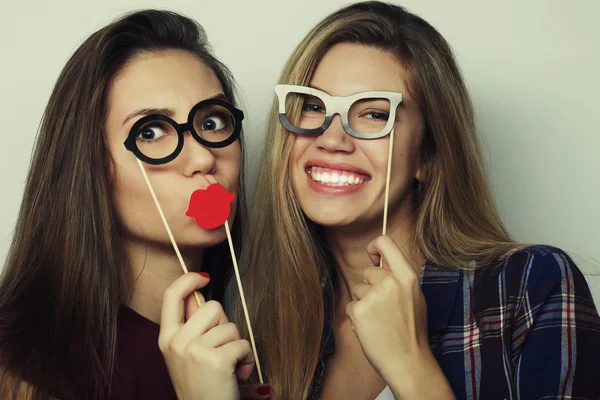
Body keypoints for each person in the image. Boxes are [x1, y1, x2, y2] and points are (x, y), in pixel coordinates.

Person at [238, 1, 600, 399]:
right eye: (312, 106)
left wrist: (410, 363)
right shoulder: (269, 334)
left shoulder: (530, 287)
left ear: (428, 156)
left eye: (374, 114)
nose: (332, 138)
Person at [0, 9, 271, 400]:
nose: (203, 159)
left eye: (212, 122)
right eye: (151, 131)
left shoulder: (246, 340)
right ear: (90, 165)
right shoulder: (23, 366)